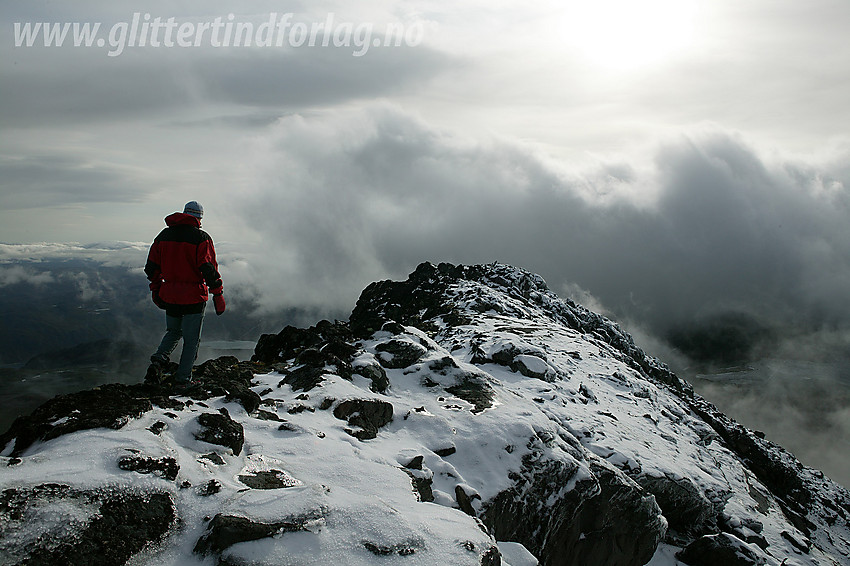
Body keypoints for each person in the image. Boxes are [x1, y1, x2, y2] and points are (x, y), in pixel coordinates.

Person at [144, 201, 225, 387]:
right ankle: (183, 380)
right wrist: (218, 293)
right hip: (193, 296)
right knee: (191, 340)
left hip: (169, 294)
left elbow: (151, 268)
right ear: (199, 217)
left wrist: (156, 289)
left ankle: (157, 362)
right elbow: (208, 268)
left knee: (173, 331)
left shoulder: (163, 236)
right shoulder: (201, 238)